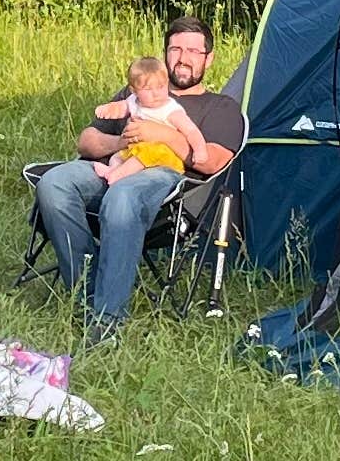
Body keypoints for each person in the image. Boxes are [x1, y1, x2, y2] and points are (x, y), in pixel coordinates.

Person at [34, 17, 244, 335]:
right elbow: (87, 141)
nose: (183, 58)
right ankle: (87, 296)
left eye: (192, 51)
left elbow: (213, 161)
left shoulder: (220, 107)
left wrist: (163, 135)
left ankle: (106, 323)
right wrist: (125, 140)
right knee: (54, 184)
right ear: (165, 53)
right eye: (175, 49)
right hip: (114, 165)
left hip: (166, 183)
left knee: (123, 195)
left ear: (208, 58)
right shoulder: (138, 91)